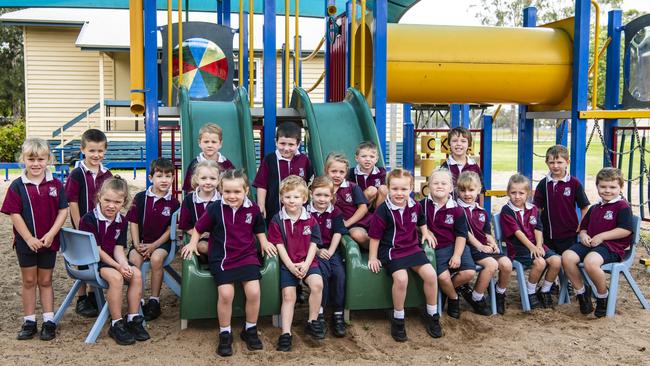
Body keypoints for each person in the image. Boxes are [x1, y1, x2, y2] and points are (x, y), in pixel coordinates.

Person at [181, 170, 268, 356]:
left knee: (253, 291)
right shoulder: (215, 208)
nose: (232, 196)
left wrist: (264, 242)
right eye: (227, 192)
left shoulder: (252, 208)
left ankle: (250, 329)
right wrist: (193, 243)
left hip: (246, 255)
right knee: (226, 293)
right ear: (221, 190)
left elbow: (259, 227)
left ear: (245, 190)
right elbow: (198, 228)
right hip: (222, 257)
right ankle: (225, 333)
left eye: (237, 192)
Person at [1, 138, 69, 341]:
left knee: (46, 281)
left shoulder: (56, 184)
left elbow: (63, 210)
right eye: (31, 159)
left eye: (41, 159)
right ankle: (29, 321)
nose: (36, 163)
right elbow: (14, 213)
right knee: (29, 281)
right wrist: (29, 238)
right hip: (26, 243)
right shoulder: (17, 186)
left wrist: (51, 234)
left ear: (48, 159)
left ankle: (49, 321)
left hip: (49, 242)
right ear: (23, 160)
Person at [368, 168, 442, 342]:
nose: (399, 193)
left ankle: (432, 314)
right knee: (401, 279)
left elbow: (421, 219)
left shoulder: (415, 205)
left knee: (431, 275)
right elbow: (375, 236)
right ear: (388, 188)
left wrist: (425, 232)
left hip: (412, 248)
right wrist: (372, 257)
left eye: (403, 189)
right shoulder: (383, 210)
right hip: (391, 250)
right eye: (395, 189)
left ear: (411, 189)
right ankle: (398, 318)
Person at [79, 177, 150, 345]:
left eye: (117, 202)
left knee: (136, 274)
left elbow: (119, 249)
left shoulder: (122, 221)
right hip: (92, 261)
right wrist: (118, 267)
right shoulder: (89, 219)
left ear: (124, 202)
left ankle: (133, 318)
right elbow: (96, 250)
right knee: (117, 278)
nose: (111, 205)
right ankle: (116, 323)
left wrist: (124, 265)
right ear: (99, 197)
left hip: (112, 260)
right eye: (107, 200)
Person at [562, 167, 633, 317]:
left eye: (613, 187)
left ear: (621, 187)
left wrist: (602, 236)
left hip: (611, 247)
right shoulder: (595, 207)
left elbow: (625, 230)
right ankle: (582, 293)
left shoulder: (622, 206)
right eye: (603, 187)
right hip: (590, 244)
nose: (607, 190)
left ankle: (602, 296)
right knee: (567, 257)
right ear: (597, 187)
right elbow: (584, 228)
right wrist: (583, 235)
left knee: (590, 263)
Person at [267, 176, 324, 352]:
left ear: (304, 199)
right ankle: (286, 333)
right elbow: (279, 246)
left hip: (308, 261)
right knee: (288, 296)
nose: (292, 201)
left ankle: (312, 321)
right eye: (288, 197)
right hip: (288, 263)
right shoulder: (277, 220)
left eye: (296, 197)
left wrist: (306, 264)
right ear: (281, 198)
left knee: (317, 285)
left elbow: (314, 244)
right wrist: (291, 266)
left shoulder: (311, 219)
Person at [65, 128, 112, 317]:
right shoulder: (77, 174)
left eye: (100, 151)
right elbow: (72, 201)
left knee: (98, 259)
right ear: (83, 149)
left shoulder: (107, 175)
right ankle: (82, 298)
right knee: (84, 262)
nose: (96, 155)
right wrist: (80, 228)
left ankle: (94, 295)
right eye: (92, 150)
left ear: (105, 151)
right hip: (82, 227)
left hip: (101, 225)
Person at [127, 158, 180, 321]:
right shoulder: (140, 197)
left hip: (163, 244)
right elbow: (133, 222)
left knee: (156, 259)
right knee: (134, 259)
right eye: (159, 176)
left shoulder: (174, 203)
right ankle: (138, 299)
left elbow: (169, 230)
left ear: (172, 178)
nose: (164, 180)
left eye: (168, 176)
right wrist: (136, 244)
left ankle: (154, 301)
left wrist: (154, 246)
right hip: (141, 241)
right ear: (151, 178)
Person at [499, 173, 562, 309]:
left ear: (527, 193)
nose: (517, 196)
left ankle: (544, 290)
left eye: (521, 193)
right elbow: (517, 232)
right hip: (518, 248)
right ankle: (529, 292)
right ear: (508, 193)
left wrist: (539, 245)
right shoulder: (507, 210)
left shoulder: (532, 209)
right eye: (513, 192)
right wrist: (532, 247)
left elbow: (538, 228)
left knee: (556, 261)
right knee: (539, 262)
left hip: (535, 244)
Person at [421, 168, 475, 319]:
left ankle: (446, 289)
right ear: (429, 186)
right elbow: (416, 224)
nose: (439, 186)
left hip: (456, 246)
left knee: (469, 272)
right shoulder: (422, 206)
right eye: (435, 183)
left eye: (444, 183)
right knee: (442, 277)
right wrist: (426, 232)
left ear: (451, 188)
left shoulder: (457, 210)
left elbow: (461, 235)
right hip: (437, 248)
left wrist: (457, 255)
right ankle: (453, 297)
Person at [456, 171, 512, 315]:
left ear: (479, 190)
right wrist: (480, 246)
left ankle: (499, 293)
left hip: (484, 247)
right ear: (457, 190)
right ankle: (477, 297)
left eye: (471, 190)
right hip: (470, 249)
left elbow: (486, 233)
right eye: (463, 190)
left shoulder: (482, 212)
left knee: (506, 264)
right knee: (492, 265)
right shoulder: (456, 209)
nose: (467, 194)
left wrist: (492, 243)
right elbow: (465, 234)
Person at [309, 176, 348, 337]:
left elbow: (338, 232)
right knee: (322, 275)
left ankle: (338, 314)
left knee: (339, 274)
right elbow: (304, 237)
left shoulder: (335, 211)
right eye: (318, 195)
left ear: (332, 196)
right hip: (312, 251)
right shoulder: (305, 211)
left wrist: (331, 251)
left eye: (326, 195)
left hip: (331, 250)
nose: (322, 199)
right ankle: (320, 314)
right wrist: (317, 251)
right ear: (311, 194)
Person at [534, 145, 590, 254]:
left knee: (566, 260)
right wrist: (537, 227)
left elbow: (584, 206)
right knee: (552, 261)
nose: (555, 166)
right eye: (551, 162)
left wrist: (582, 225)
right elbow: (537, 208)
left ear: (567, 162)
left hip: (569, 232)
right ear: (546, 163)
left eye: (559, 162)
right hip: (548, 232)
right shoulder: (543, 184)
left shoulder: (574, 183)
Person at [253, 122, 313, 225]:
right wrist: (261, 205)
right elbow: (261, 184)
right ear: (276, 142)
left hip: (298, 210)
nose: (286, 148)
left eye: (291, 145)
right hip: (275, 209)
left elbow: (310, 183)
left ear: (298, 144)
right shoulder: (269, 160)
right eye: (282, 143)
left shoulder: (304, 160)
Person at [325, 152, 371, 248]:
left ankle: (377, 248)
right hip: (343, 226)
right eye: (334, 171)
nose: (337, 175)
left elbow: (363, 208)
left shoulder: (352, 187)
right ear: (326, 170)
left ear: (346, 173)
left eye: (341, 172)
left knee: (360, 234)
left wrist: (348, 223)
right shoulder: (323, 189)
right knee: (356, 235)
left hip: (360, 222)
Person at [178, 160, 221, 257]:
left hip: (220, 237)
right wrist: (200, 235)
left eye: (213, 178)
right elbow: (185, 226)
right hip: (198, 239)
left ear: (218, 180)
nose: (208, 182)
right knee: (202, 246)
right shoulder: (189, 200)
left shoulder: (223, 199)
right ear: (197, 179)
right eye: (203, 178)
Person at [182, 123, 235, 193]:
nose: (210, 145)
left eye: (214, 142)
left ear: (220, 144)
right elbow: (188, 189)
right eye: (206, 142)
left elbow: (234, 186)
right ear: (199, 143)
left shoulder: (227, 164)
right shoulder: (194, 164)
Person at [440, 127, 484, 203]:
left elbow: (481, 191)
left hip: (472, 211)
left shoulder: (474, 167)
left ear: (469, 144)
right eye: (454, 141)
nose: (459, 144)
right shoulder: (445, 168)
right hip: (452, 211)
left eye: (463, 141)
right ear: (449, 144)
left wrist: (480, 210)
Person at [347, 141, 388, 209]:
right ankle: (362, 213)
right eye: (364, 156)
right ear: (357, 158)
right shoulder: (351, 173)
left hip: (376, 203)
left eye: (372, 157)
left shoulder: (381, 172)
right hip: (358, 205)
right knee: (372, 190)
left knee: (384, 188)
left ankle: (377, 215)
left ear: (376, 159)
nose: (368, 159)